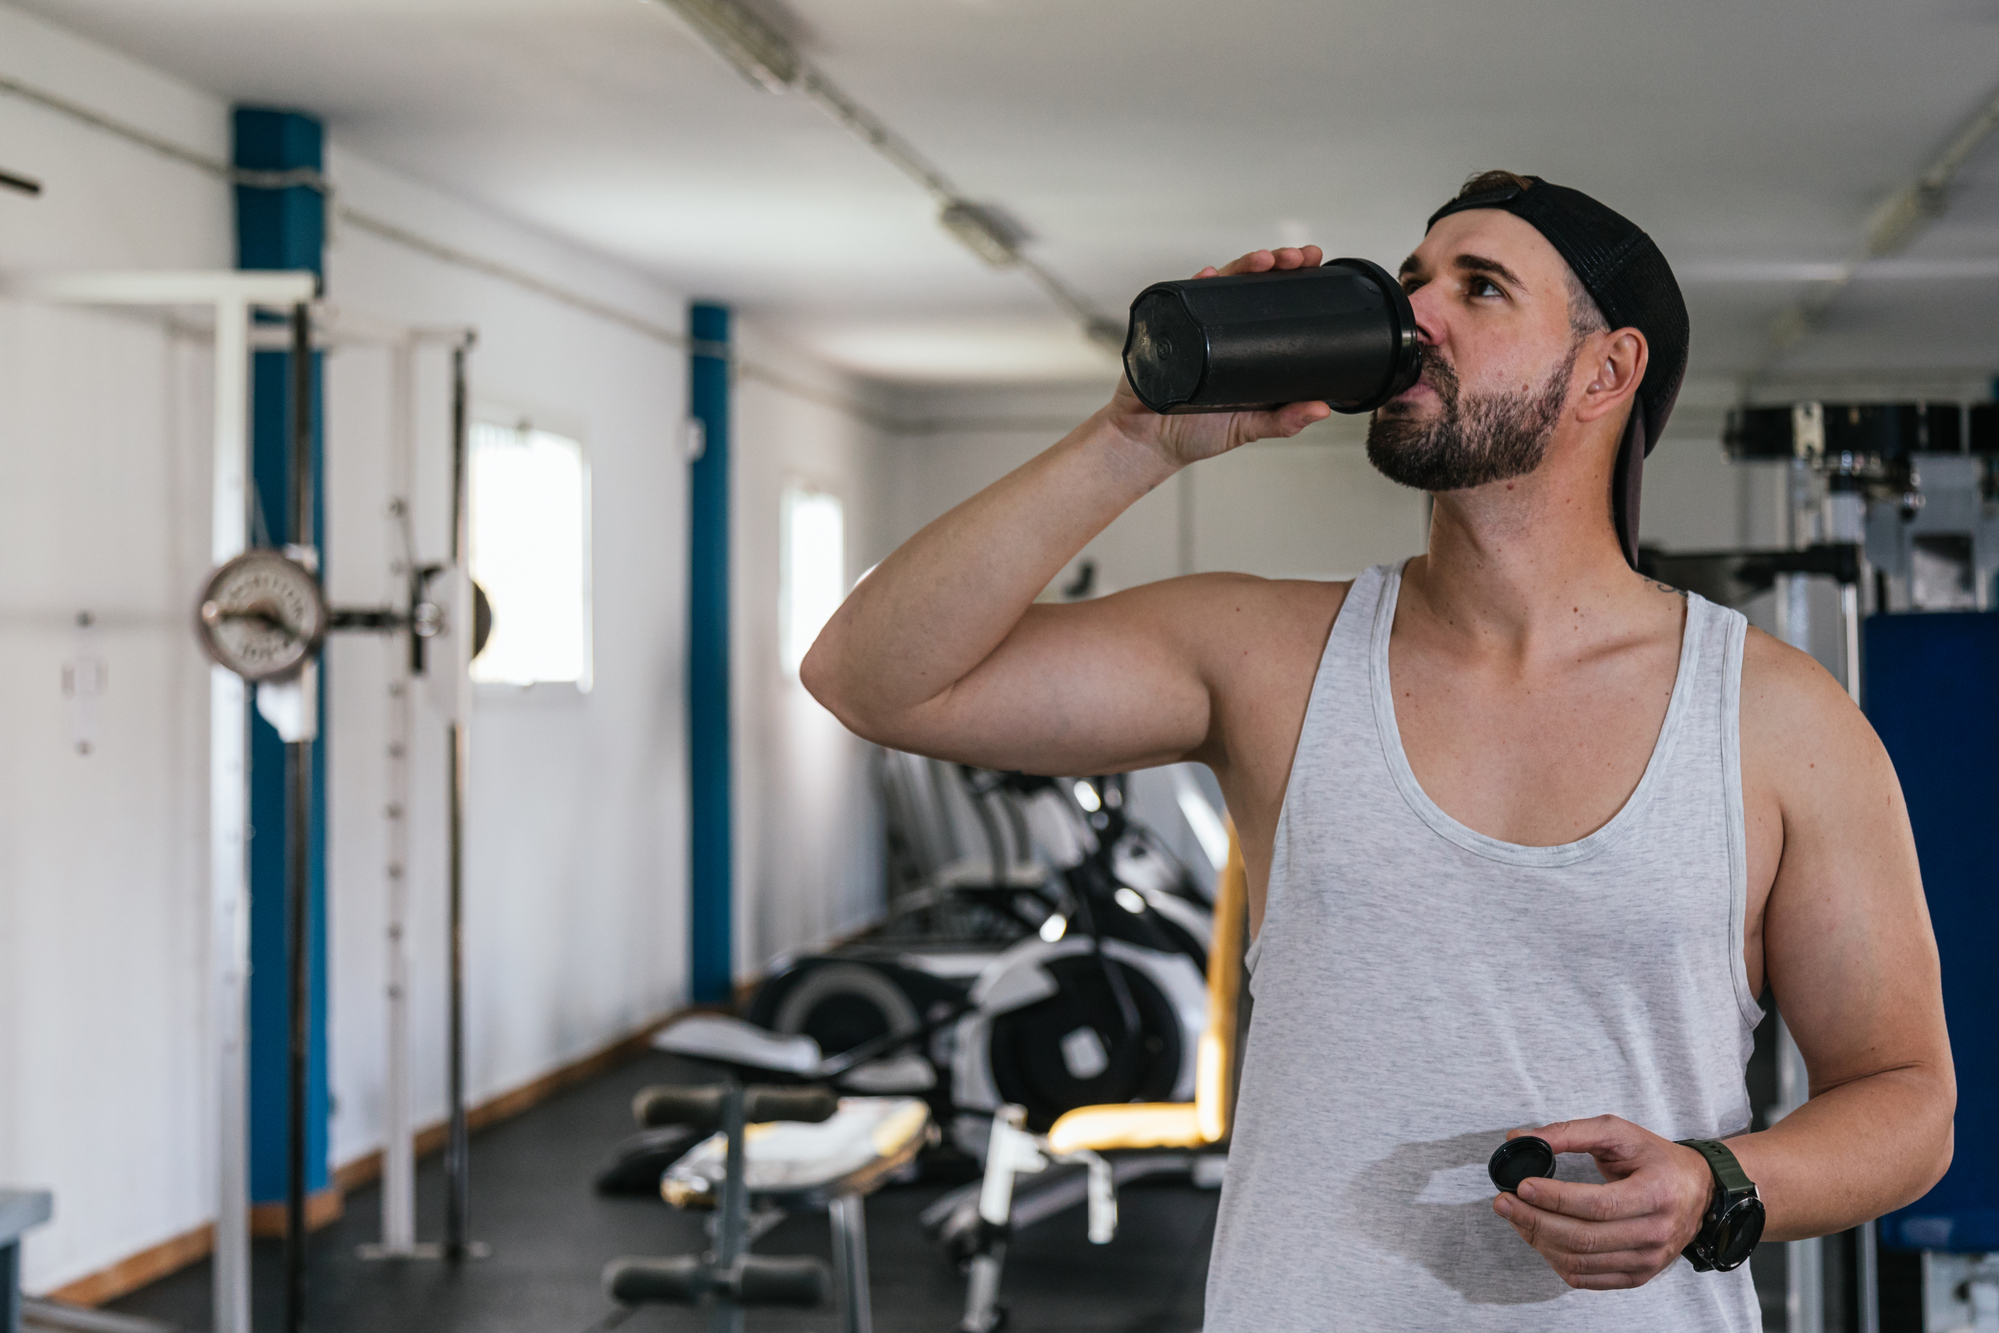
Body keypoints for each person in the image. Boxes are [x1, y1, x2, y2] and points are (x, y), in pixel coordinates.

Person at [802, 171, 1954, 1328]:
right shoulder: (1266, 656)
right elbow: (870, 676)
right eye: (1412, 284)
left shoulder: (1773, 716)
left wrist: (1719, 1185)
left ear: (1606, 370)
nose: (1418, 319)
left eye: (1480, 287)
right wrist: (1133, 439)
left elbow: (1905, 1099)